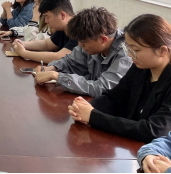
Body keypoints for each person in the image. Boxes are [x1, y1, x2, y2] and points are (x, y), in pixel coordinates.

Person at [68, 15, 171, 143]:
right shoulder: (140, 68)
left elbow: (153, 130)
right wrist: (86, 107)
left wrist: (93, 116)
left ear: (162, 51)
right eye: (128, 48)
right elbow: (114, 97)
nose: (129, 54)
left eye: (136, 50)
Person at [34, 7, 133, 98]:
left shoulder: (126, 56)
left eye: (83, 43)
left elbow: (101, 88)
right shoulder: (92, 40)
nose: (80, 46)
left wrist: (58, 77)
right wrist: (53, 68)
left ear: (103, 39)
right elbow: (70, 61)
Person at [10, 0, 77, 63]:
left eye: (47, 16)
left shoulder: (79, 29)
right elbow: (46, 44)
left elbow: (59, 57)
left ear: (62, 15)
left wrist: (24, 53)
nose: (46, 21)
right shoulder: (62, 29)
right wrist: (23, 44)